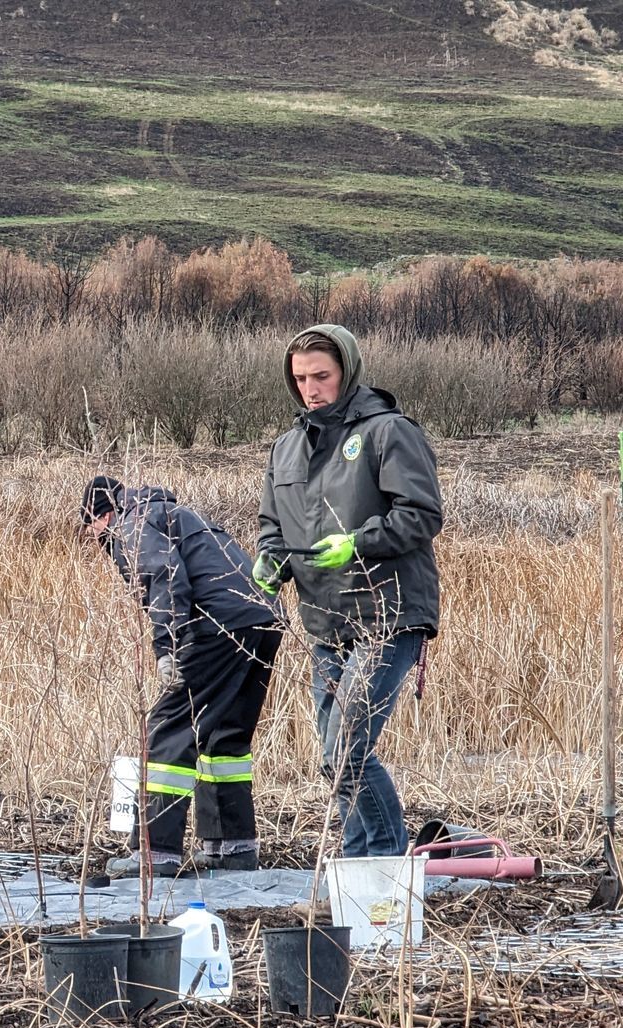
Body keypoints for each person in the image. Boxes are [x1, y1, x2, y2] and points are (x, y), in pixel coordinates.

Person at [255, 324, 442, 859]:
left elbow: (422, 515)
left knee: (346, 747)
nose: (311, 389)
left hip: (389, 613)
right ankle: (358, 866)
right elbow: (273, 523)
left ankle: (383, 867)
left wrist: (358, 543)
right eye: (301, 379)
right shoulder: (287, 448)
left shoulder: (389, 432)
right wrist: (269, 559)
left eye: (322, 376)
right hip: (325, 621)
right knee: (335, 757)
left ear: (347, 372)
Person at [80, 476, 283, 877]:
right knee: (225, 731)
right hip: (263, 620)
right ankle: (233, 848)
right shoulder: (175, 513)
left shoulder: (131, 524)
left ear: (100, 516)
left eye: (90, 530)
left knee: (170, 728)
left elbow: (165, 575)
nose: (93, 540)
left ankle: (156, 855)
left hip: (219, 626)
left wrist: (167, 647)